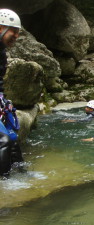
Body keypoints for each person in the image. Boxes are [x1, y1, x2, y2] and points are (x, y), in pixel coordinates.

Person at [0, 9, 23, 176]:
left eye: (18, 32)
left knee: (13, 140)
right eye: (13, 31)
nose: (16, 36)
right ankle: (5, 184)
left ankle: (22, 175)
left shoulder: (1, 52)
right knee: (3, 141)